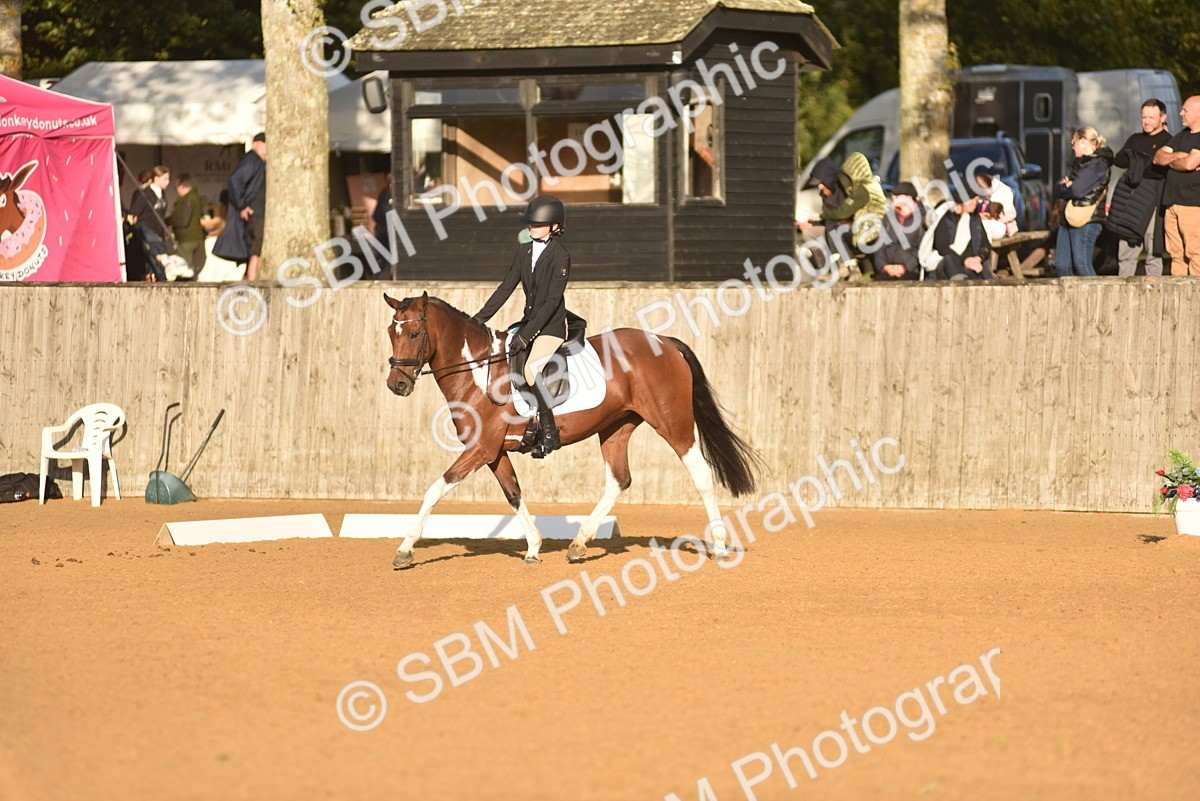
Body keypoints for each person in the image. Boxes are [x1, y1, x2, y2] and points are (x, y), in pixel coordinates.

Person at [472, 195, 576, 458]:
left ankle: (549, 432)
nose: (532, 227)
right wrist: (477, 320)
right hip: (529, 322)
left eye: (538, 224)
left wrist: (527, 335)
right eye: (530, 224)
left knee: (530, 370)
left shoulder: (561, 256)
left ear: (555, 226)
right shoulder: (524, 251)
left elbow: (552, 301)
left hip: (551, 326)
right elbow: (506, 288)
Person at [1107, 99, 1172, 276]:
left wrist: (1137, 161)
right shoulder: (1135, 139)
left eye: (1151, 117)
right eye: (1144, 117)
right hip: (1131, 202)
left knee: (1153, 250)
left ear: (1162, 117)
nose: (1146, 121)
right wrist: (1143, 160)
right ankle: (1123, 294)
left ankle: (1154, 294)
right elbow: (1119, 159)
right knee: (1127, 251)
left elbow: (1160, 172)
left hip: (1153, 202)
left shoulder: (1169, 141)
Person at [1054, 126, 1114, 277]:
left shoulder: (1097, 164)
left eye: (1073, 142)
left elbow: (1076, 190)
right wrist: (1065, 187)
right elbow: (1058, 189)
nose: (1072, 146)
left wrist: (1068, 187)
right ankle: (1069, 299)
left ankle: (1097, 298)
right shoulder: (1080, 163)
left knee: (1081, 264)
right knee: (1061, 266)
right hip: (1067, 218)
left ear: (1082, 141)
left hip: (1088, 221)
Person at [1154, 95, 1200, 276]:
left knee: (1195, 252)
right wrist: (1182, 155)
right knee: (1176, 254)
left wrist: (1174, 159)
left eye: (1185, 110)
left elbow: (1189, 164)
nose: (1180, 113)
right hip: (1172, 203)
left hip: (1192, 204)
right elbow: (1158, 158)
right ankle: (1179, 298)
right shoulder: (1181, 135)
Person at [213, 132, 266, 279]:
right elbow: (235, 180)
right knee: (257, 250)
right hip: (255, 212)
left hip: (256, 211)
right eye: (265, 144)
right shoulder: (252, 160)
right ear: (257, 144)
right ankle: (253, 282)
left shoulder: (257, 161)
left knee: (255, 250)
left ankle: (252, 280)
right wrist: (242, 205)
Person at [872, 181, 921, 280]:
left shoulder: (922, 220)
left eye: (898, 195)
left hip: (911, 271)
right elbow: (879, 246)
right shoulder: (888, 218)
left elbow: (922, 249)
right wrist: (884, 266)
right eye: (893, 195)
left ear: (909, 198)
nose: (893, 197)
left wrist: (905, 267)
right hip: (887, 270)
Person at [169, 174, 206, 276]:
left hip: (187, 239)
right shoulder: (196, 197)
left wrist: (169, 220)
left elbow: (183, 220)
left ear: (181, 186)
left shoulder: (188, 199)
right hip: (197, 237)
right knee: (193, 271)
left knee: (184, 272)